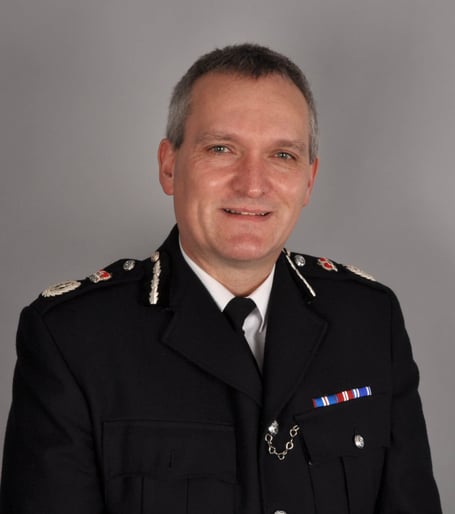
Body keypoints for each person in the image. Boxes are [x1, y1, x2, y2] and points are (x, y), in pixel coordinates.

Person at [0, 43, 442, 514]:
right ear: (169, 166)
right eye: (221, 149)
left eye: (282, 155)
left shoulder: (369, 321)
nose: (252, 184)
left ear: (309, 180)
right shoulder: (73, 340)